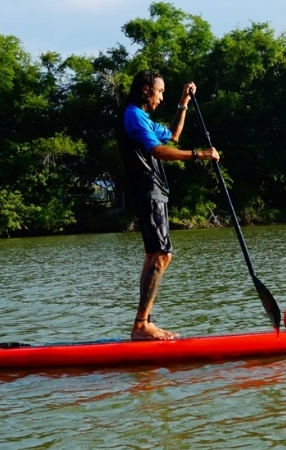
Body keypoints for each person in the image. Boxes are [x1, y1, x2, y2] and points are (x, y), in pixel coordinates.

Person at [122, 70, 220, 340]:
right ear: (145, 90)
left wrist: (183, 102)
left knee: (154, 256)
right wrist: (199, 155)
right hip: (148, 191)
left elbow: (172, 137)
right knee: (163, 255)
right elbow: (157, 151)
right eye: (160, 91)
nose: (161, 97)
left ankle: (144, 323)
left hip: (153, 193)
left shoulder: (145, 119)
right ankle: (141, 324)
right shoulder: (134, 115)